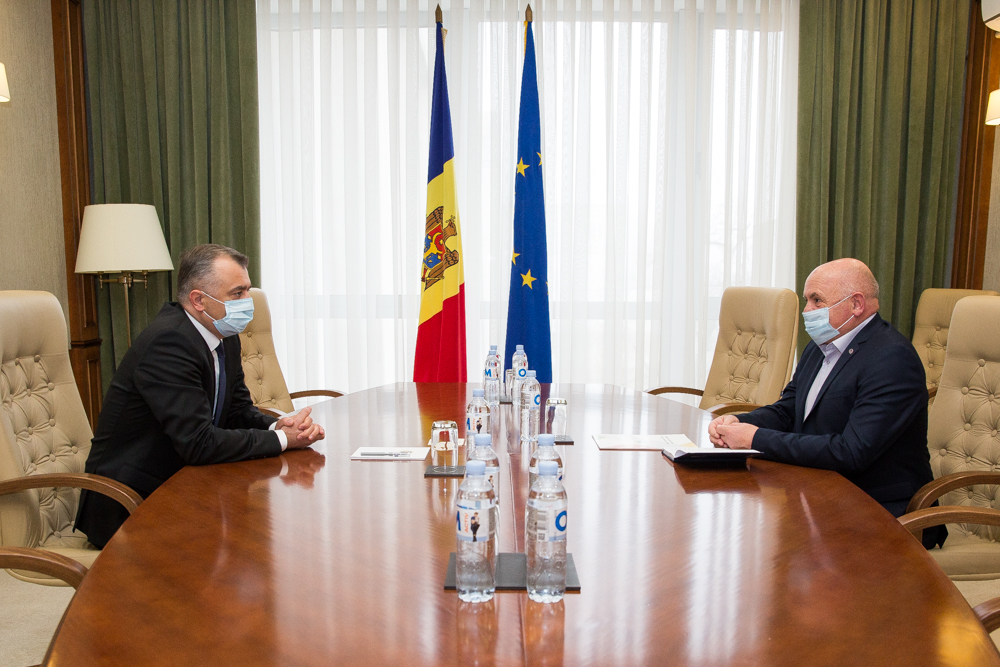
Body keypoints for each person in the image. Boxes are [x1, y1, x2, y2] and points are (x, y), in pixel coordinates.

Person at [75, 244, 325, 548]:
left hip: (184, 484)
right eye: (237, 293)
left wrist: (278, 425)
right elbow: (199, 443)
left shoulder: (223, 335)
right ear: (198, 300)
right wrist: (284, 440)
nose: (247, 302)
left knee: (264, 536)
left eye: (247, 290)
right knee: (252, 544)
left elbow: (237, 411)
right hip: (131, 503)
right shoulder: (169, 343)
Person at [708, 258, 943, 547]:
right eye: (807, 300)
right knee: (739, 534)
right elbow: (788, 410)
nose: (807, 311)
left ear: (856, 304)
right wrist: (740, 423)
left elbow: (851, 452)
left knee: (765, 546)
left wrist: (754, 438)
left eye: (817, 300)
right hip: (819, 493)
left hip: (879, 511)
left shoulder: (892, 358)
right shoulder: (820, 347)